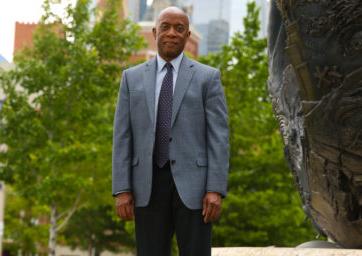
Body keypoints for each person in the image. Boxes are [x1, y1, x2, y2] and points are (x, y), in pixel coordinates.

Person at [112, 6, 229, 256]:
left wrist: (215, 188)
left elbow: (218, 138)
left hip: (196, 189)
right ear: (155, 32)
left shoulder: (208, 78)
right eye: (165, 27)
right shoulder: (130, 79)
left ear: (188, 36)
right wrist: (122, 188)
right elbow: (122, 136)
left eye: (179, 28)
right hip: (146, 185)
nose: (172, 33)